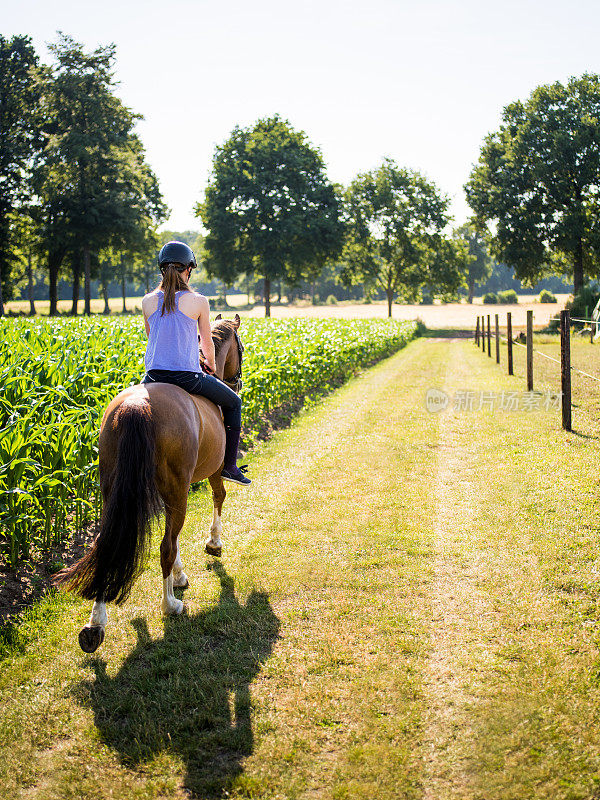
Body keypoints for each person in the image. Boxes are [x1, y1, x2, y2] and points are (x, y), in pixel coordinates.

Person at [141, 241, 251, 486]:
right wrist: (210, 365)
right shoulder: (198, 300)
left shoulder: (147, 301)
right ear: (188, 269)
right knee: (234, 402)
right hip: (186, 376)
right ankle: (230, 467)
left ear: (162, 269)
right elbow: (207, 344)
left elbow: (153, 338)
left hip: (152, 377)